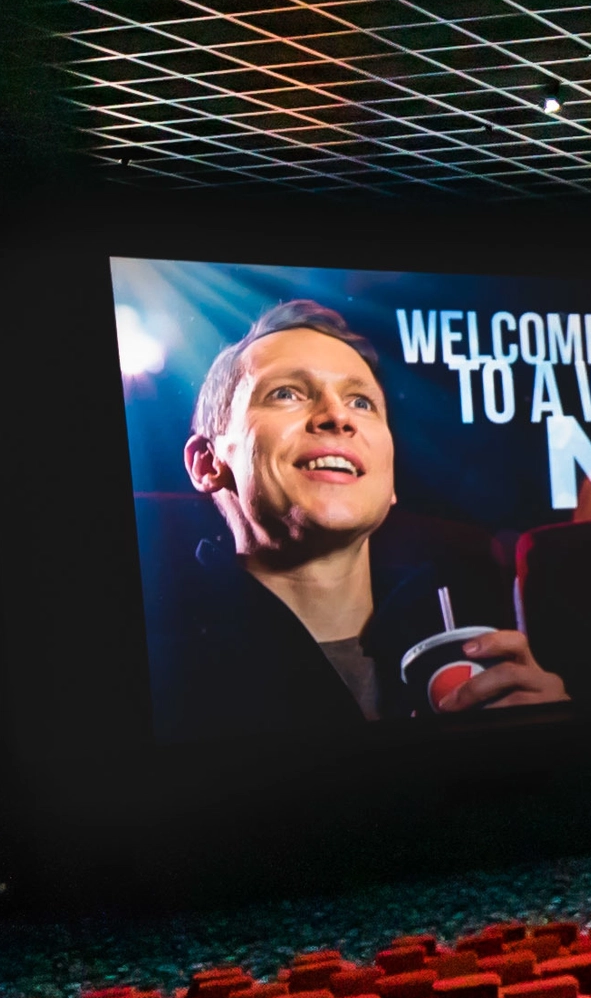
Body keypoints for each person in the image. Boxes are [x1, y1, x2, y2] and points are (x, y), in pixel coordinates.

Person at [145, 300, 568, 739]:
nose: (338, 416)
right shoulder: (159, 666)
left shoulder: (482, 632)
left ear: (390, 483)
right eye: (285, 393)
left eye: (362, 402)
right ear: (206, 463)